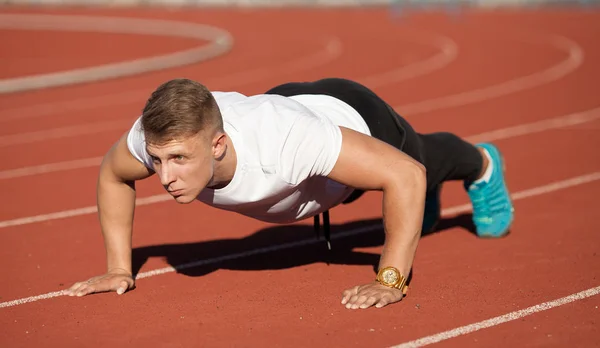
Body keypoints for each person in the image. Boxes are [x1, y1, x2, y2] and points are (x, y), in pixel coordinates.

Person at [66, 77, 514, 309]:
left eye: (180, 160)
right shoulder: (156, 136)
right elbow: (112, 174)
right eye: (158, 161)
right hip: (287, 104)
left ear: (217, 145)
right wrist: (118, 268)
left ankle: (483, 164)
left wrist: (390, 280)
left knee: (422, 163)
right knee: (408, 190)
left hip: (352, 115)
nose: (164, 177)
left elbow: (406, 176)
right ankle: (417, 211)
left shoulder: (286, 143)